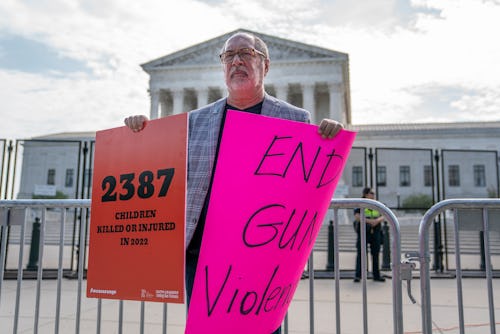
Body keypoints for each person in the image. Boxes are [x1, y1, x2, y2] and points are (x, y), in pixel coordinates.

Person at [125, 31, 344, 333]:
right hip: (203, 256)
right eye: (229, 56)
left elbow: (306, 189)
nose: (237, 61)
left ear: (265, 65)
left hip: (261, 256)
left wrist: (329, 139)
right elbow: (158, 172)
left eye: (247, 54)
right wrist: (140, 134)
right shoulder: (194, 121)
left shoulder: (296, 119)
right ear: (222, 66)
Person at [353, 187, 386, 282]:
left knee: (375, 254)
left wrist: (376, 221)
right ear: (366, 194)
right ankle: (358, 275)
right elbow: (357, 216)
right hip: (364, 230)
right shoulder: (360, 203)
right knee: (361, 254)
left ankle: (376, 275)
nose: (373, 195)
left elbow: (384, 214)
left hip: (376, 231)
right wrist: (370, 221)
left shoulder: (376, 204)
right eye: (372, 193)